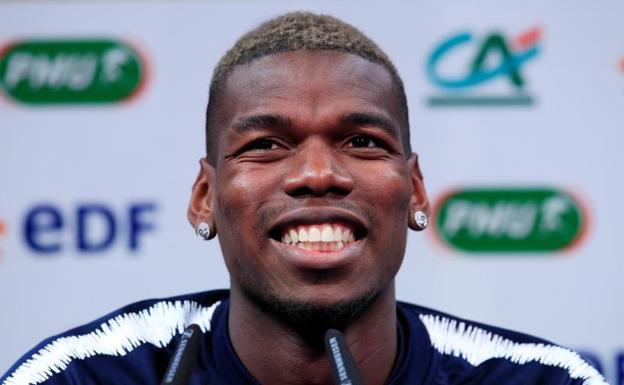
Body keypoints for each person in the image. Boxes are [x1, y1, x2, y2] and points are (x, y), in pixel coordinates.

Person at [1, 12, 608, 385]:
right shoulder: (83, 376)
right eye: (266, 144)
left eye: (362, 141)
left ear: (415, 189)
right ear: (205, 198)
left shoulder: (543, 381)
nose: (318, 172)